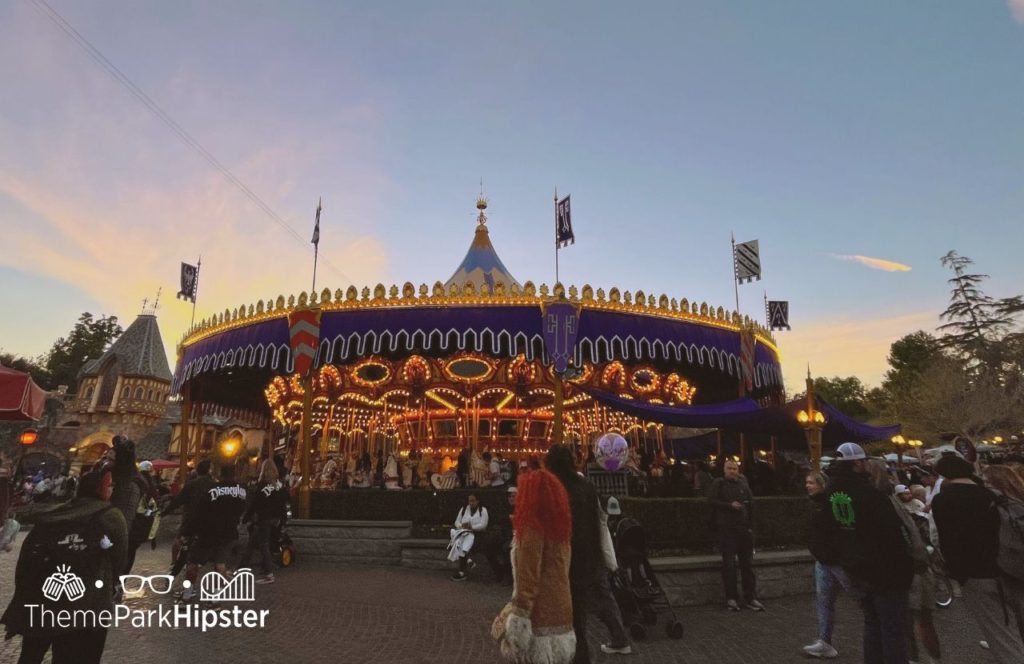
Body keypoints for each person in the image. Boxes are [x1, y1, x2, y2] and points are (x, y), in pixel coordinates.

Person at [1, 469, 127, 664]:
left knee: (31, 654)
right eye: (109, 485)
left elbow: (27, 560)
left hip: (42, 597)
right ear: (99, 489)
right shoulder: (111, 516)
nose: (112, 489)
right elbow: (119, 558)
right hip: (84, 601)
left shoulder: (56, 514)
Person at [825, 442, 913, 664]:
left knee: (872, 625)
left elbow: (831, 532)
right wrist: (906, 569)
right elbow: (892, 536)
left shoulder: (831, 494)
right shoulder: (870, 495)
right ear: (857, 463)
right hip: (885, 571)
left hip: (856, 569)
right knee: (893, 630)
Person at [932, 455, 1024, 662]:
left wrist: (957, 574)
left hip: (976, 575)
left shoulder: (943, 500)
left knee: (1003, 638)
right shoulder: (990, 494)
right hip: (1011, 568)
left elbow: (945, 540)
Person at [546, 445, 631, 661]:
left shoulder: (556, 488)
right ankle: (592, 647)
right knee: (588, 605)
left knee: (572, 611)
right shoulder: (587, 486)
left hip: (568, 557)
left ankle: (576, 652)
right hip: (590, 556)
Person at [491, 468, 575, 664]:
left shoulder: (532, 529)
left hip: (539, 614)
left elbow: (528, 578)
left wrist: (519, 616)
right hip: (561, 609)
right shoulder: (560, 529)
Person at [867, 460, 940, 664]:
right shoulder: (891, 500)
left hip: (903, 570)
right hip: (915, 565)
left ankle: (915, 659)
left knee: (904, 623)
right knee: (922, 621)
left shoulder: (880, 503)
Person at [803, 471, 850, 659]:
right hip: (824, 561)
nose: (808, 486)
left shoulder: (829, 504)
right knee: (824, 601)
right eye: (806, 482)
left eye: (811, 483)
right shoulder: (816, 505)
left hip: (835, 561)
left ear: (822, 484)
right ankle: (825, 640)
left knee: (861, 598)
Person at [183, 464, 247, 600]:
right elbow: (243, 508)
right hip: (229, 532)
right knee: (220, 564)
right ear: (234, 474)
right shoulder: (242, 491)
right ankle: (215, 598)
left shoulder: (212, 490)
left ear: (220, 474)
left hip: (209, 532)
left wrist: (188, 531)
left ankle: (187, 594)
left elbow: (199, 511)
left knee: (193, 562)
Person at [708, 459, 763, 611]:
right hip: (727, 530)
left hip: (744, 530)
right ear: (724, 470)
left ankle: (750, 596)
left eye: (735, 468)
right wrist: (728, 505)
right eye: (730, 468)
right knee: (729, 565)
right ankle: (731, 597)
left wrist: (751, 527)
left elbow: (751, 505)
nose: (732, 471)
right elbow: (711, 501)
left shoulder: (743, 484)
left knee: (747, 565)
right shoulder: (719, 483)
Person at [162, 459, 216, 579]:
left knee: (186, 553)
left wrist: (164, 512)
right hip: (208, 525)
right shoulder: (214, 486)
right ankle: (187, 584)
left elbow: (178, 501)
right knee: (197, 556)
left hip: (191, 523)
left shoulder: (192, 485)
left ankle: (175, 576)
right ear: (209, 470)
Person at [239, 459, 285, 584]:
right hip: (274, 519)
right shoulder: (279, 485)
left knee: (263, 544)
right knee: (254, 541)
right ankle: (243, 567)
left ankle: (269, 574)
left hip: (263, 518)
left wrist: (246, 518)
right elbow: (283, 503)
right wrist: (281, 519)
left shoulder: (262, 485)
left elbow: (255, 504)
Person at [448, 494, 490, 581]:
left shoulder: (483, 510)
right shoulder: (464, 509)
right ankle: (468, 561)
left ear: (477, 501)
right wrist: (461, 526)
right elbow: (457, 522)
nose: (471, 503)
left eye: (473, 500)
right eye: (469, 501)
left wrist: (472, 527)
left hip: (477, 534)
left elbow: (483, 525)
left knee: (466, 543)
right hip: (465, 533)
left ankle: (462, 571)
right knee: (460, 542)